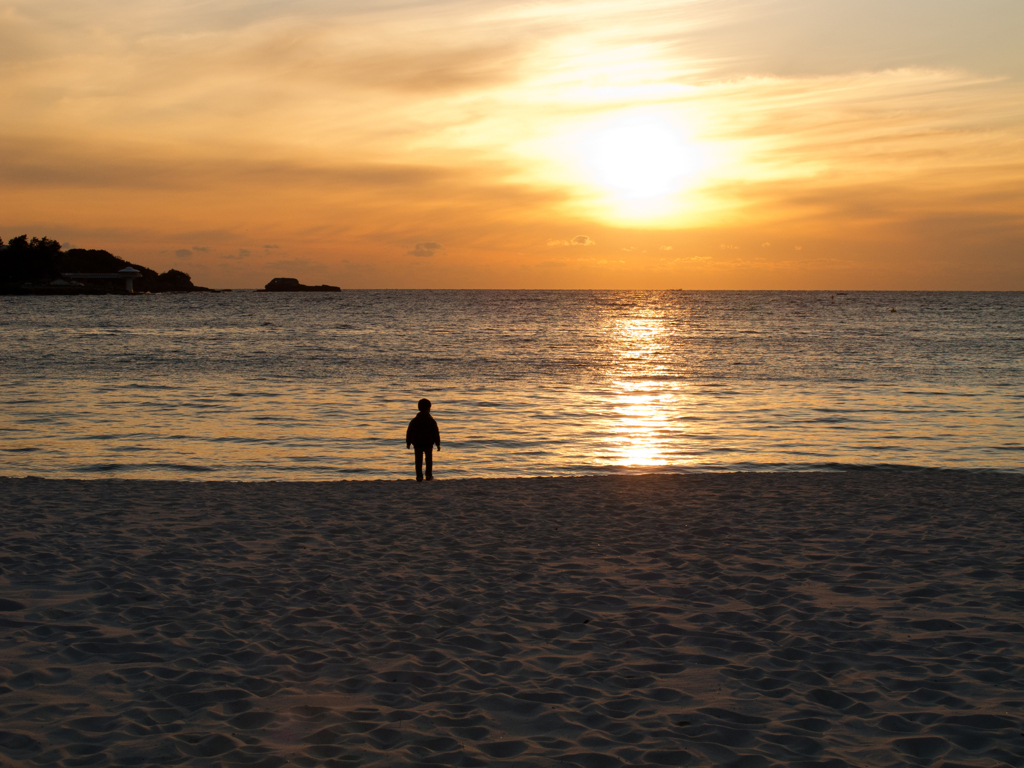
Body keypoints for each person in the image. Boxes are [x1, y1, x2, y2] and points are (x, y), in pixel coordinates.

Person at [406, 398, 441, 481]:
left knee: (418, 461)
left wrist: (408, 442)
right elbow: (435, 432)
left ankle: (419, 476)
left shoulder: (414, 420)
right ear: (428, 408)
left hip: (417, 444)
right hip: (428, 443)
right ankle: (428, 475)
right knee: (429, 460)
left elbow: (409, 432)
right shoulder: (431, 420)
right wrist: (438, 444)